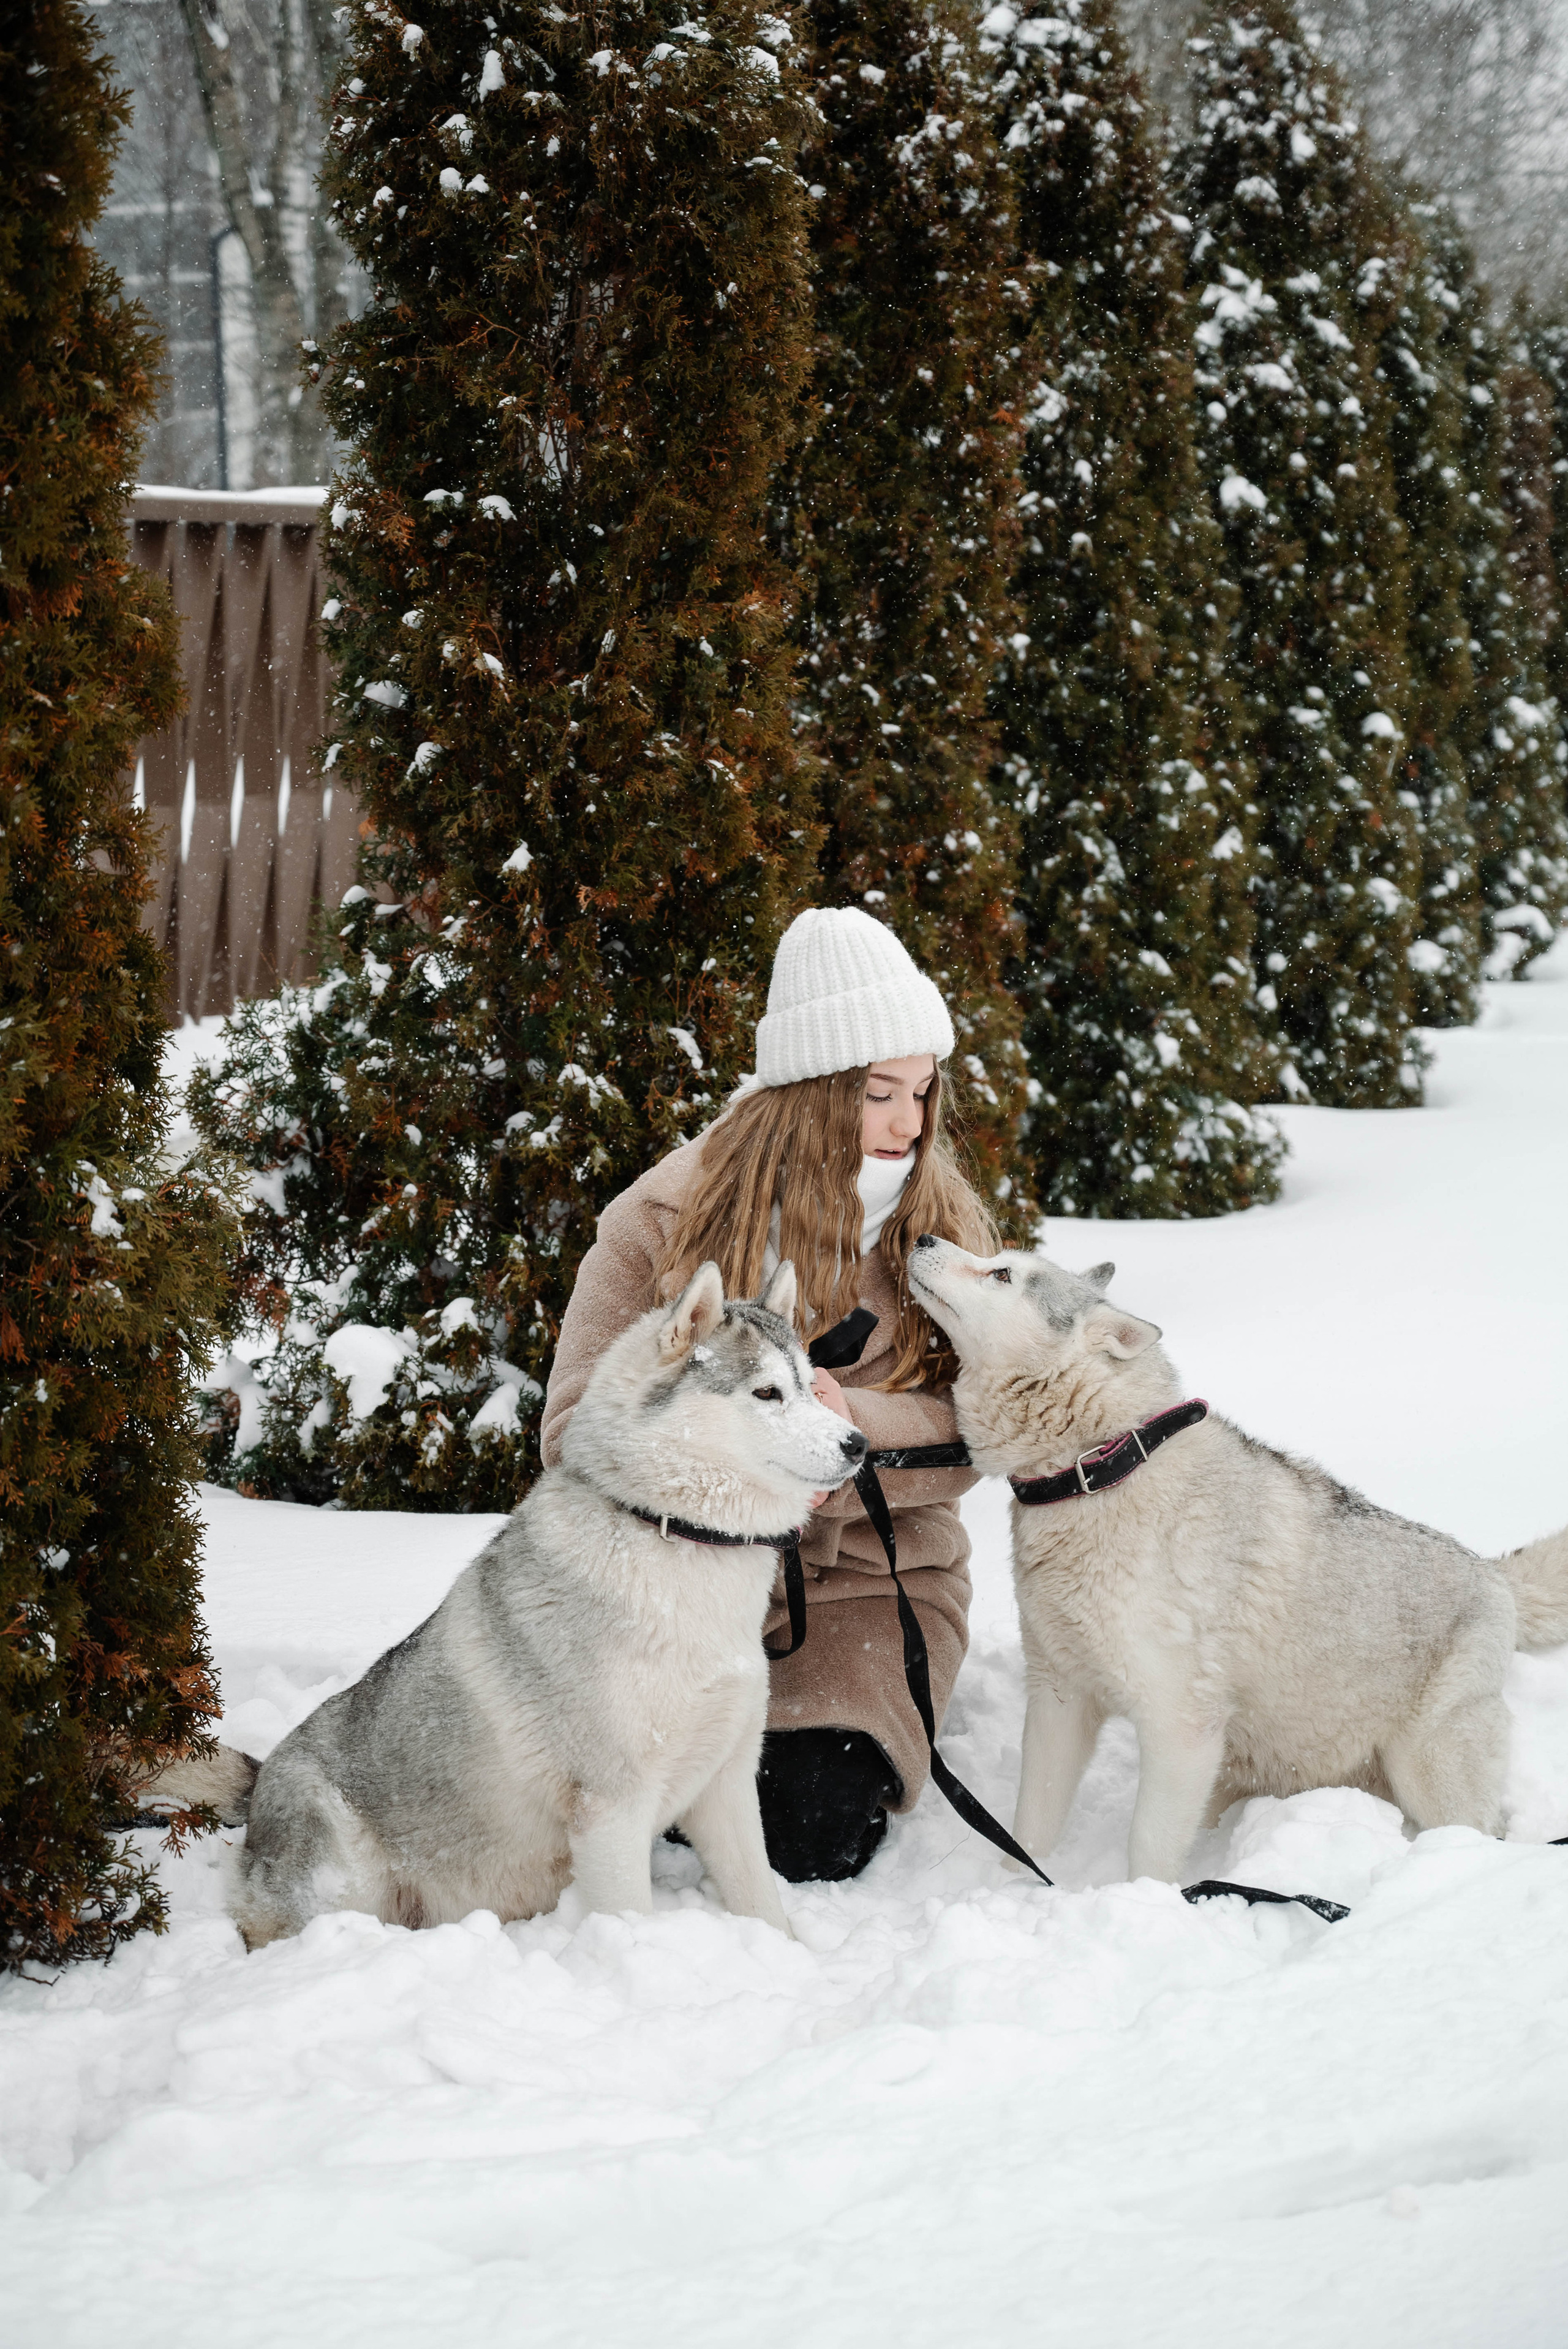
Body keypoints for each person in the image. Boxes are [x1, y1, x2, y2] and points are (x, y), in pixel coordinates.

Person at [540, 906, 997, 1881]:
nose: (909, 1123)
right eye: (878, 1093)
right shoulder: (659, 1219)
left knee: (805, 1826)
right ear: (810, 1090)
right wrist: (754, 1457)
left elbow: (995, 1421)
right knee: (573, 1796)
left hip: (878, 1592)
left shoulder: (944, 1228)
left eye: (922, 1090)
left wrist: (852, 1427)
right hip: (673, 1605)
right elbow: (574, 1431)